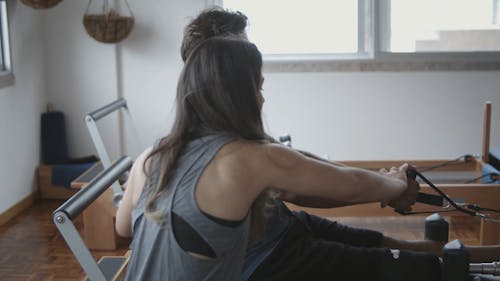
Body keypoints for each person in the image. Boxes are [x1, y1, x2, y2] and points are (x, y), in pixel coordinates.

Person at [175, 7, 500, 281]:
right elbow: (301, 187)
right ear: (214, 69)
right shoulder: (214, 147)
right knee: (408, 265)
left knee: (389, 243)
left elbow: (295, 161)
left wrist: (386, 183)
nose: (251, 70)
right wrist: (391, 187)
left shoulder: (226, 128)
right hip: (265, 260)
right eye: (238, 58)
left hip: (283, 229)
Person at [115, 36, 426, 281]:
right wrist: (397, 185)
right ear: (237, 94)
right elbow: (352, 185)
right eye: (258, 86)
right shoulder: (246, 158)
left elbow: (123, 228)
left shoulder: (151, 157)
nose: (262, 97)